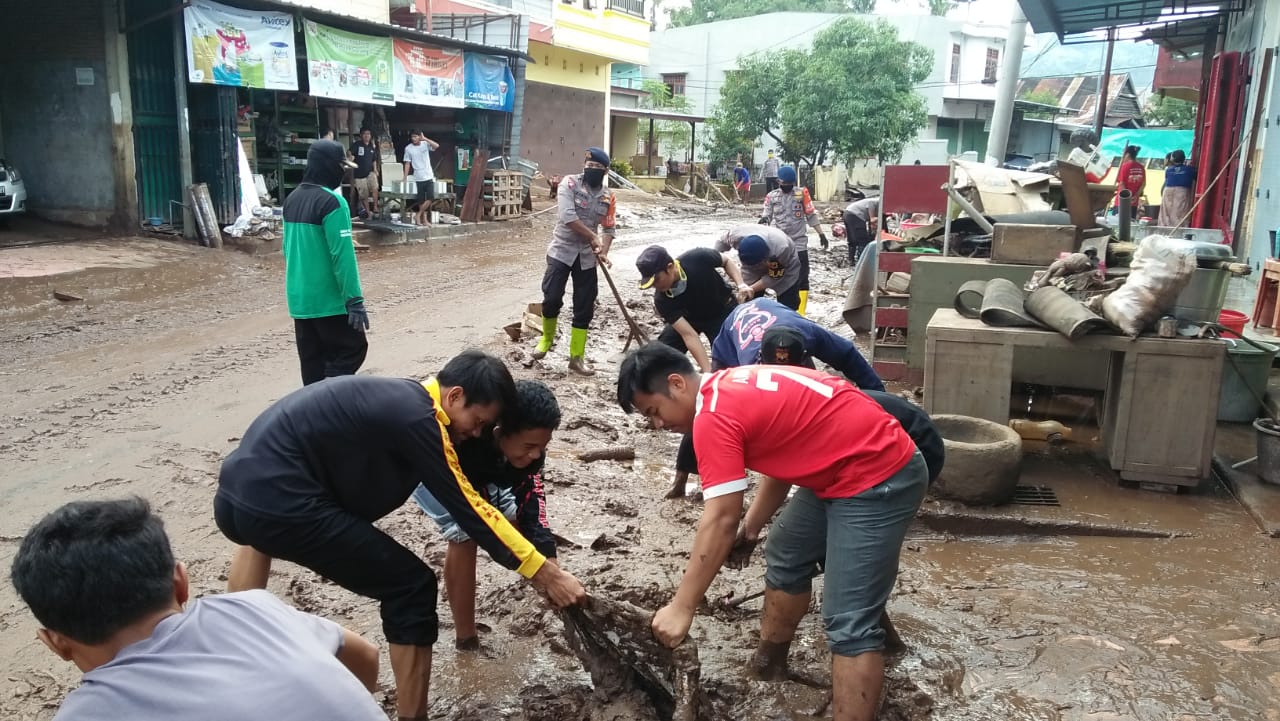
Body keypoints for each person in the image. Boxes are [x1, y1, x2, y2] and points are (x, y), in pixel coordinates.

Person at [214, 350, 587, 721]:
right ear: (455, 396)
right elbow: (469, 509)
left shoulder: (401, 401)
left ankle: (236, 650)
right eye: (477, 421)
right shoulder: (419, 418)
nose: (476, 432)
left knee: (263, 533)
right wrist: (545, 572)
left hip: (239, 496)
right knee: (410, 586)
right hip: (279, 502)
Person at [617, 342, 929, 721]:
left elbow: (720, 518)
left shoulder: (712, 415)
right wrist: (752, 529)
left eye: (654, 412)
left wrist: (682, 608)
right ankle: (770, 665)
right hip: (844, 463)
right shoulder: (729, 385)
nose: (659, 425)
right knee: (786, 550)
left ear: (677, 383)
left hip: (879, 474)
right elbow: (783, 456)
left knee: (847, 621)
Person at [10, 497, 386, 721]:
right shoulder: (256, 608)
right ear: (181, 582)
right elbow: (366, 656)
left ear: (55, 643)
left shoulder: (89, 714)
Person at [662, 298, 886, 499]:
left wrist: (879, 401)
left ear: (804, 358)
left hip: (777, 318)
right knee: (707, 407)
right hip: (731, 335)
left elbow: (848, 356)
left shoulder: (809, 334)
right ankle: (680, 479)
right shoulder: (749, 363)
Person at [411, 380, 562, 651]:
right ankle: (465, 638)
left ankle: (544, 588)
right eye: (529, 445)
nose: (536, 453)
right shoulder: (466, 437)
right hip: (434, 468)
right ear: (498, 431)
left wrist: (548, 561)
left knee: (513, 518)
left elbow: (532, 504)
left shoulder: (530, 452)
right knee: (464, 533)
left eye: (542, 446)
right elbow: (473, 514)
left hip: (484, 469)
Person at [283, 139, 367, 386]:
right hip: (329, 302)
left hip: (299, 301)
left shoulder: (291, 200)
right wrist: (354, 300)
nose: (342, 172)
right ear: (329, 166)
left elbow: (286, 250)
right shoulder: (333, 202)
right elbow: (342, 255)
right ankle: (330, 400)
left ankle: (312, 412)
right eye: (341, 166)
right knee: (353, 349)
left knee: (312, 365)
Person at [532, 147, 617, 376]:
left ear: (605, 171)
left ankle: (576, 358)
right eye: (588, 167)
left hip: (587, 258)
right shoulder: (569, 184)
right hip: (562, 251)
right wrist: (592, 236)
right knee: (551, 298)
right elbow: (567, 216)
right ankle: (546, 340)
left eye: (597, 168)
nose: (591, 170)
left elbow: (609, 227)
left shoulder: (608, 196)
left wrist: (604, 252)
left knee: (584, 307)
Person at [636, 244, 750, 373]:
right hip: (690, 318)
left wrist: (741, 284)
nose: (655, 286)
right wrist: (707, 371)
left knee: (727, 362)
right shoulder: (662, 300)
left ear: (670, 267)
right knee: (660, 358)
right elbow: (689, 335)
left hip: (721, 312)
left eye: (657, 280)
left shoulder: (697, 258)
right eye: (651, 284)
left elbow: (726, 261)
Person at [761, 165, 827, 316]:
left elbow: (810, 214)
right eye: (785, 184)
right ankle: (780, 311)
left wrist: (821, 234)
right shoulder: (771, 197)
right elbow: (766, 215)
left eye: (790, 184)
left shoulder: (801, 194)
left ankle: (801, 313)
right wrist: (764, 222)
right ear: (779, 181)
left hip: (799, 243)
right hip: (779, 244)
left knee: (802, 276)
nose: (788, 187)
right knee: (777, 275)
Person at [716, 225, 802, 311]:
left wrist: (752, 288)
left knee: (788, 303)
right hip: (751, 268)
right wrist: (713, 258)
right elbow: (720, 243)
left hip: (787, 266)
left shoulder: (781, 249)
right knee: (748, 299)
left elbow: (774, 277)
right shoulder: (735, 236)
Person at [403, 130, 440, 226]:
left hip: (428, 175)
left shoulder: (425, 144)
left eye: (415, 136)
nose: (413, 139)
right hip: (418, 177)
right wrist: (405, 177)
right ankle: (423, 220)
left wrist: (425, 139)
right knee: (421, 200)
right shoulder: (408, 148)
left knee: (431, 197)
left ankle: (418, 215)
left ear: (420, 136)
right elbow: (407, 163)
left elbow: (436, 146)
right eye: (412, 137)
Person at [1159, 149, 1196, 227]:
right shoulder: (1190, 169)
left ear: (1172, 159)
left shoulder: (1168, 170)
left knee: (1166, 212)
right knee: (1180, 212)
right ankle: (1179, 229)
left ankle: (1164, 228)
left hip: (1168, 190)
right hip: (1182, 191)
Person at [350, 127, 380, 219]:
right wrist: (350, 157)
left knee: (375, 187)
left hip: (370, 172)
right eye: (365, 134)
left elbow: (374, 159)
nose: (367, 136)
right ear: (361, 135)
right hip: (359, 174)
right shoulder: (357, 145)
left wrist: (375, 169)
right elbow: (349, 152)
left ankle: (375, 207)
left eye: (368, 134)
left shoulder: (371, 146)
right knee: (364, 195)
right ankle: (368, 213)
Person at [842, 196, 880, 267]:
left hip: (848, 213)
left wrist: (872, 232)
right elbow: (871, 204)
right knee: (862, 240)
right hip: (855, 215)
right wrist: (872, 218)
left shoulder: (877, 206)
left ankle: (851, 260)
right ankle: (861, 262)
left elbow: (871, 223)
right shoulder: (879, 201)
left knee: (852, 239)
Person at [1115, 145, 1146, 219]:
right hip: (1134, 203)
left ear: (1128, 155)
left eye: (1123, 155)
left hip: (1121, 202)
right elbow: (1143, 184)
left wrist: (1126, 198)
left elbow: (1122, 183)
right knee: (1130, 224)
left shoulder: (1124, 166)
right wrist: (1136, 196)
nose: (1123, 157)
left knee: (1117, 224)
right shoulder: (1141, 167)